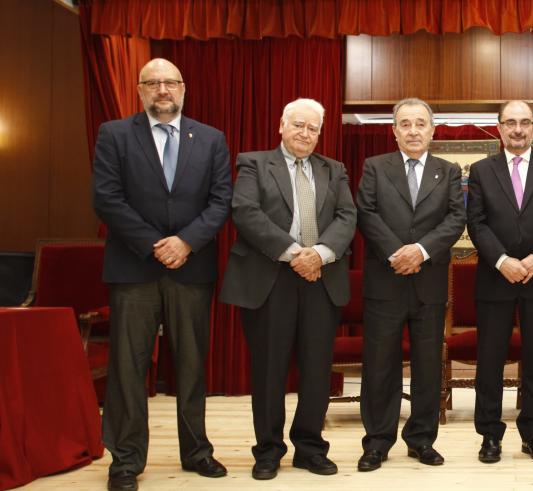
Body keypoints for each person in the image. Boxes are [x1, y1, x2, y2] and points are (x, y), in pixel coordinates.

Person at [92, 58, 232, 491]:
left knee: (192, 366)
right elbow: (106, 197)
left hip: (192, 267)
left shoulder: (210, 139)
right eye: (152, 83)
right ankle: (126, 460)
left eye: (170, 81)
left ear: (183, 88)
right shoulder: (114, 134)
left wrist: (186, 242)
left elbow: (221, 199)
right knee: (128, 367)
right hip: (134, 267)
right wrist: (156, 243)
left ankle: (196, 453)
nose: (162, 89)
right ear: (140, 91)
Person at [219, 98, 357, 480]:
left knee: (316, 370)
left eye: (313, 128)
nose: (305, 133)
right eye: (299, 125)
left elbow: (348, 216)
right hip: (270, 279)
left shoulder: (335, 170)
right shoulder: (254, 163)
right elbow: (246, 212)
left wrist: (321, 254)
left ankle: (310, 448)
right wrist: (296, 253)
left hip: (321, 279)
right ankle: (268, 450)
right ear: (281, 125)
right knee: (269, 369)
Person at [354, 98, 466, 471]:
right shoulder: (375, 167)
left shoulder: (448, 171)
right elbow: (365, 212)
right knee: (380, 365)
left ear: (432, 130)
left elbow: (455, 218)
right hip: (385, 281)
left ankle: (421, 439)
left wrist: (419, 251)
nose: (414, 130)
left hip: (428, 282)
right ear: (395, 131)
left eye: (421, 124)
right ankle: (377, 441)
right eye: (406, 124)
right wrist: (395, 253)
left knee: (427, 365)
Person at [466, 100, 533, 463]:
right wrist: (502, 261)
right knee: (490, 360)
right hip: (495, 279)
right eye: (510, 122)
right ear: (498, 127)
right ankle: (489, 436)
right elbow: (476, 222)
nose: (517, 129)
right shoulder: (481, 170)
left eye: (524, 122)